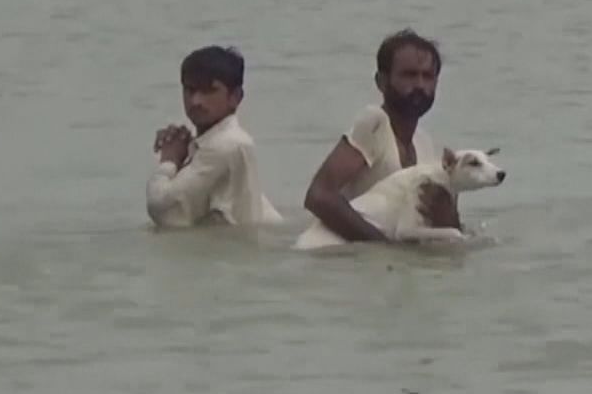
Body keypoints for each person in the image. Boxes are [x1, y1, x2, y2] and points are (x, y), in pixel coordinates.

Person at [303, 29, 462, 243]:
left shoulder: (424, 144)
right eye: (409, 75)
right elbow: (319, 196)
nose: (420, 85)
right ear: (381, 81)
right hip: (353, 259)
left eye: (428, 76)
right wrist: (381, 246)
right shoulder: (374, 123)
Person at [146, 46, 282, 229]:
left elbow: (163, 210)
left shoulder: (227, 144)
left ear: (235, 97)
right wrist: (183, 155)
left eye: (209, 91)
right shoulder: (218, 143)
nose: (196, 101)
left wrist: (168, 162)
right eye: (190, 90)